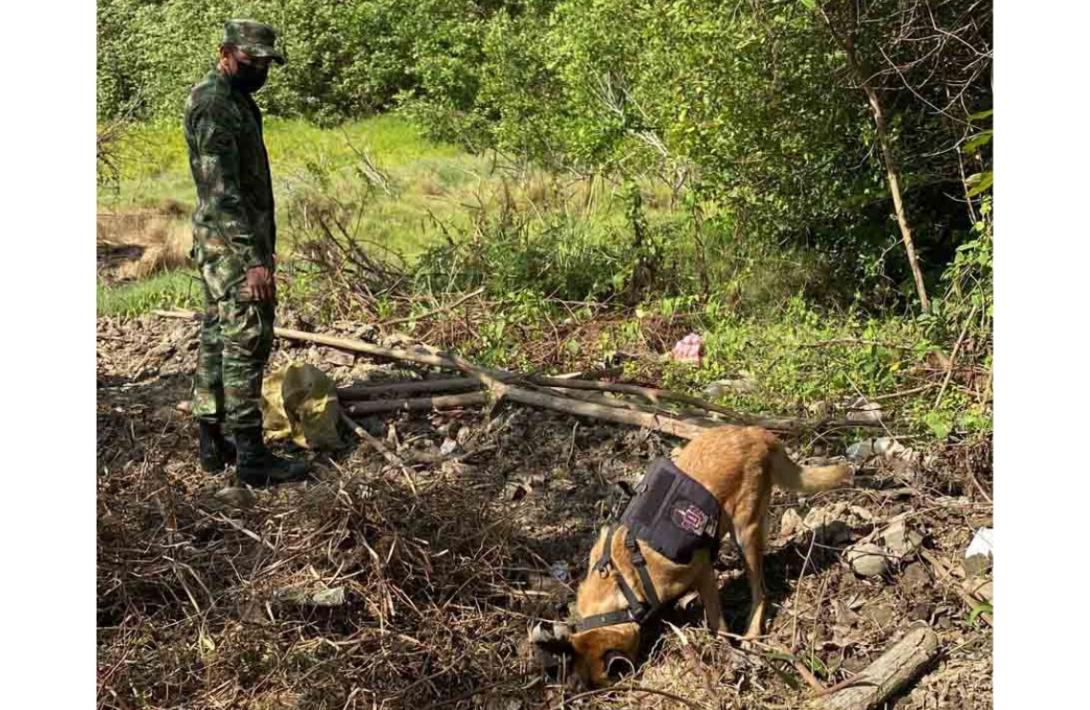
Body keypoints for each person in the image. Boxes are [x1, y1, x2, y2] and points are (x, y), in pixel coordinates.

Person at [183, 19, 307, 486]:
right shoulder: (214, 105)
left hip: (225, 244)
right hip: (233, 249)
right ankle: (253, 460)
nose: (260, 70)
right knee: (245, 345)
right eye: (251, 61)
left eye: (266, 63)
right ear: (226, 53)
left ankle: (213, 443)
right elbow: (221, 194)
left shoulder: (235, 99)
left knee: (217, 339)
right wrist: (254, 260)